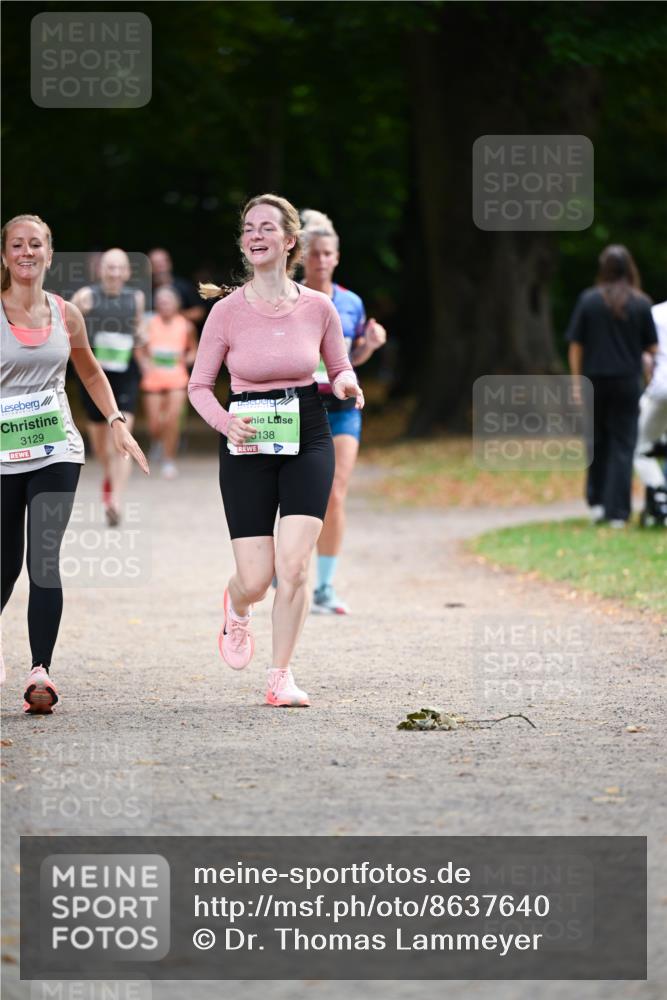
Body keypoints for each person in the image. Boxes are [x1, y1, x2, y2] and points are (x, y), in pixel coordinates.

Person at [188, 194, 364, 707]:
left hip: (308, 431)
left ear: (290, 242)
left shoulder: (319, 307)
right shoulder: (225, 313)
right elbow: (199, 387)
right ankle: (236, 605)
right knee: (257, 578)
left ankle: (280, 675)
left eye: (267, 227)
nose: (256, 235)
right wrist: (226, 424)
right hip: (247, 438)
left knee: (294, 567)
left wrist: (348, 384)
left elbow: (338, 368)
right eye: (248, 228)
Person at [0, 214, 148, 713]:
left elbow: (90, 371)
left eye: (35, 244)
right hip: (2, 453)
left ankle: (41, 671)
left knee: (43, 557)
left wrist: (115, 420)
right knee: (4, 562)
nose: (26, 252)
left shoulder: (66, 314)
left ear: (48, 253)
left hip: (54, 449)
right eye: (16, 245)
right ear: (4, 256)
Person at [300, 209, 386, 614]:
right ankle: (288, 566)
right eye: (314, 253)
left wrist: (369, 345)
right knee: (294, 493)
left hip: (343, 408)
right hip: (298, 406)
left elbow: (349, 361)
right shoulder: (291, 298)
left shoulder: (351, 302)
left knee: (335, 493)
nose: (320, 260)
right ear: (302, 256)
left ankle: (325, 587)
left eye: (327, 254)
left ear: (337, 257)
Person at [566, 244, 658, 527]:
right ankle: (617, 511)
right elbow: (652, 350)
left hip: (594, 380)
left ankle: (596, 503)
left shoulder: (588, 301)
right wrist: (648, 379)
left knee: (596, 442)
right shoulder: (641, 303)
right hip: (626, 383)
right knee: (622, 445)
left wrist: (576, 381)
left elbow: (576, 345)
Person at [71, 248, 146, 526]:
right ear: (100, 270)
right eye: (109, 267)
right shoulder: (85, 296)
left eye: (119, 268)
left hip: (125, 372)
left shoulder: (135, 298)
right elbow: (66, 330)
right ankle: (109, 478)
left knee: (122, 437)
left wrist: (140, 336)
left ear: (127, 272)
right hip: (93, 375)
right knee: (102, 446)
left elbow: (139, 330)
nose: (114, 273)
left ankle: (115, 500)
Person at [140, 285, 197, 479]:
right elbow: (139, 349)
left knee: (172, 420)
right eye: (161, 301)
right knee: (155, 424)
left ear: (176, 304)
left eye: (168, 301)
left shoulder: (186, 325)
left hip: (177, 379)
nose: (164, 305)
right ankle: (157, 441)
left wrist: (187, 358)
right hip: (153, 380)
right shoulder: (149, 323)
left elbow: (193, 350)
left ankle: (169, 459)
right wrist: (144, 363)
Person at [634, 300, 667, 526]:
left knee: (640, 448)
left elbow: (647, 357)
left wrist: (648, 379)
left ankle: (659, 497)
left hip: (661, 389)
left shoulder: (656, 313)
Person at [148, 248, 205, 328]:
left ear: (169, 264)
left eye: (162, 263)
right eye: (155, 264)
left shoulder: (184, 286)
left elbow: (200, 312)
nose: (160, 267)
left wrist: (174, 316)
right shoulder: (146, 291)